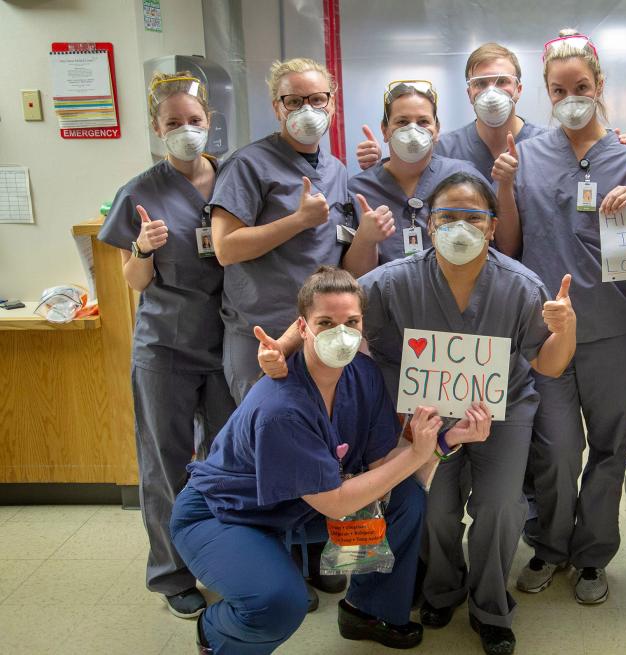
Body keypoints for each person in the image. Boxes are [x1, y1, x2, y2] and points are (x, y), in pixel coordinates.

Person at [258, 172, 577, 655]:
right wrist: (280, 351)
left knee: (498, 507)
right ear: (429, 225)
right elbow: (330, 306)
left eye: (474, 218)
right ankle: (442, 589)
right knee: (436, 509)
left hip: (500, 413)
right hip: (422, 415)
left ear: (493, 228)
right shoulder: (394, 281)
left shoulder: (519, 285)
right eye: (448, 217)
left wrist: (566, 329)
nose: (461, 228)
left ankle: (490, 606)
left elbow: (550, 364)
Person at [171, 267, 493, 653]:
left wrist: (446, 439)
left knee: (406, 499)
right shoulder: (282, 408)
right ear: (302, 328)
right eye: (325, 322)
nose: (341, 334)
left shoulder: (363, 374)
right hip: (224, 514)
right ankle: (217, 633)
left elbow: (380, 467)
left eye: (351, 321)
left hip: (294, 507)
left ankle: (367, 610)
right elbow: (337, 502)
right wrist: (419, 453)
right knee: (278, 604)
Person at [493, 30, 626, 605]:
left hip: (613, 329)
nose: (571, 97)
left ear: (600, 86)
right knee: (555, 449)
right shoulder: (526, 155)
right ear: (546, 93)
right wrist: (505, 189)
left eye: (581, 87)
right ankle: (550, 545)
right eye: (559, 89)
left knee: (610, 447)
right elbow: (509, 244)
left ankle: (592, 556)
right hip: (547, 331)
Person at [97, 72, 235, 619]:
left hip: (227, 345)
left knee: (229, 460)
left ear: (210, 124)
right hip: (165, 348)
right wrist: (144, 247)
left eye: (194, 122)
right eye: (174, 123)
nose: (186, 131)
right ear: (157, 130)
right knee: (166, 462)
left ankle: (227, 559)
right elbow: (133, 281)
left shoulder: (234, 177)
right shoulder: (141, 191)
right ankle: (172, 573)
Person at [209, 57, 393, 404]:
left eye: (316, 99)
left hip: (320, 333)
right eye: (294, 101)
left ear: (332, 104)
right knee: (267, 435)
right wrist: (297, 220)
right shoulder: (247, 165)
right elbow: (225, 248)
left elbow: (343, 265)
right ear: (277, 108)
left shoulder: (336, 170)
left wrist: (367, 235)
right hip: (262, 331)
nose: (306, 109)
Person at [356, 44, 545, 183]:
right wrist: (382, 163)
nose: (491, 92)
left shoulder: (543, 145)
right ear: (469, 93)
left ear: (518, 89)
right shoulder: (445, 149)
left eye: (502, 81)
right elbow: (406, 178)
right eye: (480, 83)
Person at [348, 80, 490, 264]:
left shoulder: (464, 178)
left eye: (423, 122)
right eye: (402, 122)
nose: (413, 130)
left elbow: (490, 250)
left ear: (436, 130)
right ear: (385, 130)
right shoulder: (360, 190)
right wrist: (365, 240)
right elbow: (353, 278)